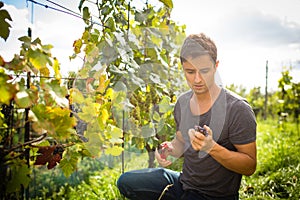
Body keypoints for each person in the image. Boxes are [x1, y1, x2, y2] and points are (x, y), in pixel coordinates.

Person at [117, 33, 257, 200]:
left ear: (216, 66)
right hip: (183, 183)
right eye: (190, 71)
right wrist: (168, 150)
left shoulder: (237, 109)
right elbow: (181, 142)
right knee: (126, 181)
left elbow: (249, 166)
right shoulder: (183, 102)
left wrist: (211, 147)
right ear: (182, 67)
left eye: (204, 71)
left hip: (214, 196)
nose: (197, 79)